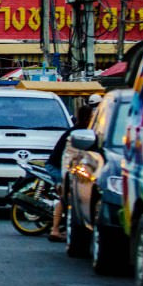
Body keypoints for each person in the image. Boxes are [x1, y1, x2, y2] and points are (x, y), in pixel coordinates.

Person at [47, 104, 94, 242]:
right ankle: (55, 229)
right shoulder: (77, 134)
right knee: (64, 197)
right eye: (92, 116)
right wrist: (67, 177)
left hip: (64, 167)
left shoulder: (83, 132)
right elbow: (68, 158)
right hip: (58, 167)